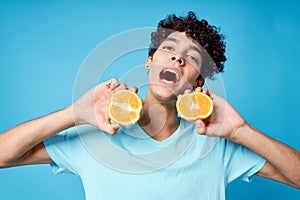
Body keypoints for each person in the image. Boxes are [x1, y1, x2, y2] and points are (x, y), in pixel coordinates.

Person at [0, 11, 299, 199]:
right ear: (149, 61)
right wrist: (73, 114)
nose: (178, 58)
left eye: (192, 58)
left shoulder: (216, 143)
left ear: (198, 82)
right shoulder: (98, 134)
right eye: (168, 48)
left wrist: (241, 131)